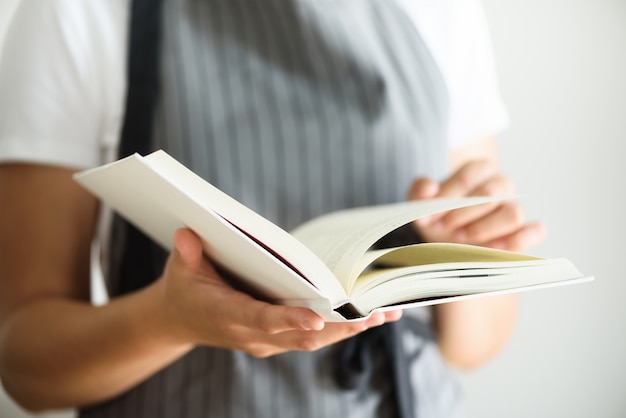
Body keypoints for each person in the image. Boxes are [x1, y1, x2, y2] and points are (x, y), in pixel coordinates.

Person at [0, 0, 546, 417]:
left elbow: (473, 345)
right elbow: (24, 363)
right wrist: (167, 320)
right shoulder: (75, 11)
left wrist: (459, 253)